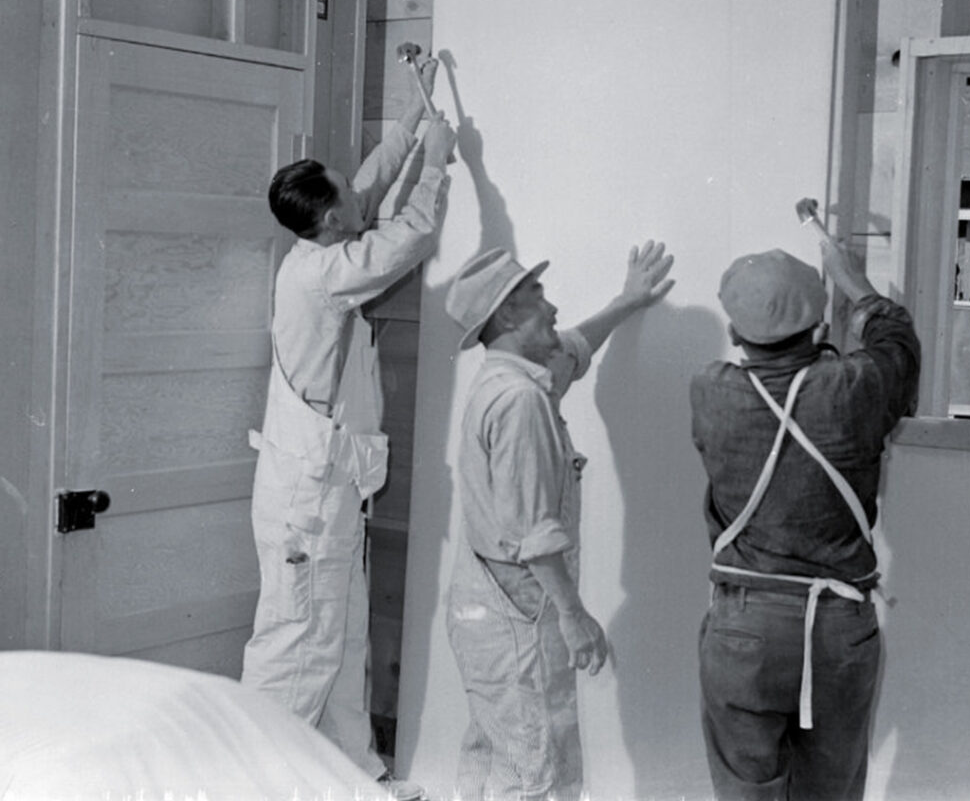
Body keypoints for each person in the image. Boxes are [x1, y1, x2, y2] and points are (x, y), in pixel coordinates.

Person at [241, 57, 457, 801]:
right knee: (299, 647)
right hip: (310, 499)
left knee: (338, 635)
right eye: (345, 198)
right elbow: (410, 234)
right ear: (330, 221)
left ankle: (353, 780)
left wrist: (412, 121)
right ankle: (250, 784)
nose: (356, 195)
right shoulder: (325, 274)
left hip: (321, 492)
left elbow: (365, 188)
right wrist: (438, 161)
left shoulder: (322, 242)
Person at [443, 241, 675, 801]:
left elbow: (571, 346)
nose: (551, 307)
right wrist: (574, 618)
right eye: (536, 294)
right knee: (536, 776)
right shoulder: (522, 401)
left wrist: (626, 302)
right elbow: (535, 533)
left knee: (497, 753)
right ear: (506, 315)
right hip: (520, 612)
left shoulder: (514, 377)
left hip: (487, 604)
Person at [690, 237, 921, 801]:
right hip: (838, 627)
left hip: (744, 628)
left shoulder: (711, 391)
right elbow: (899, 346)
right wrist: (855, 285)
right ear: (820, 331)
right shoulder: (854, 387)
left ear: (735, 334)